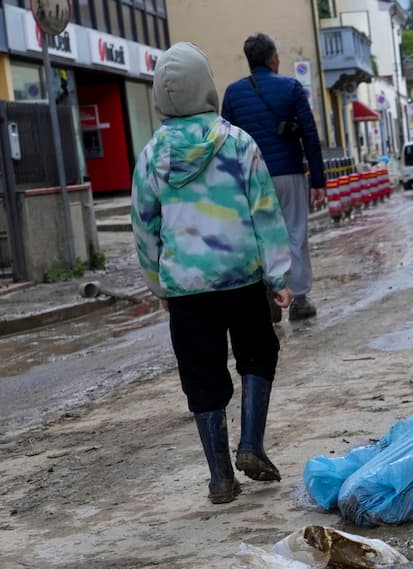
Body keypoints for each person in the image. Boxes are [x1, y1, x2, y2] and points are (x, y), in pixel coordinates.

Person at [132, 42, 294, 505]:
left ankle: (221, 477)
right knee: (258, 352)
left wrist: (158, 283)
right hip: (240, 277)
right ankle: (251, 443)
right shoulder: (239, 143)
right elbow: (266, 213)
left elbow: (144, 226)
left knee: (200, 374)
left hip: (186, 288)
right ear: (207, 85)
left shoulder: (151, 156)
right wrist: (279, 277)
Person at [221, 33, 325, 321]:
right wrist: (318, 181)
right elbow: (310, 136)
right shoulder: (291, 87)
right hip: (289, 173)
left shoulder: (232, 93)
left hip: (251, 178)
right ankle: (300, 300)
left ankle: (269, 295)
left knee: (259, 237)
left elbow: (224, 141)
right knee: (295, 233)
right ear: (273, 58)